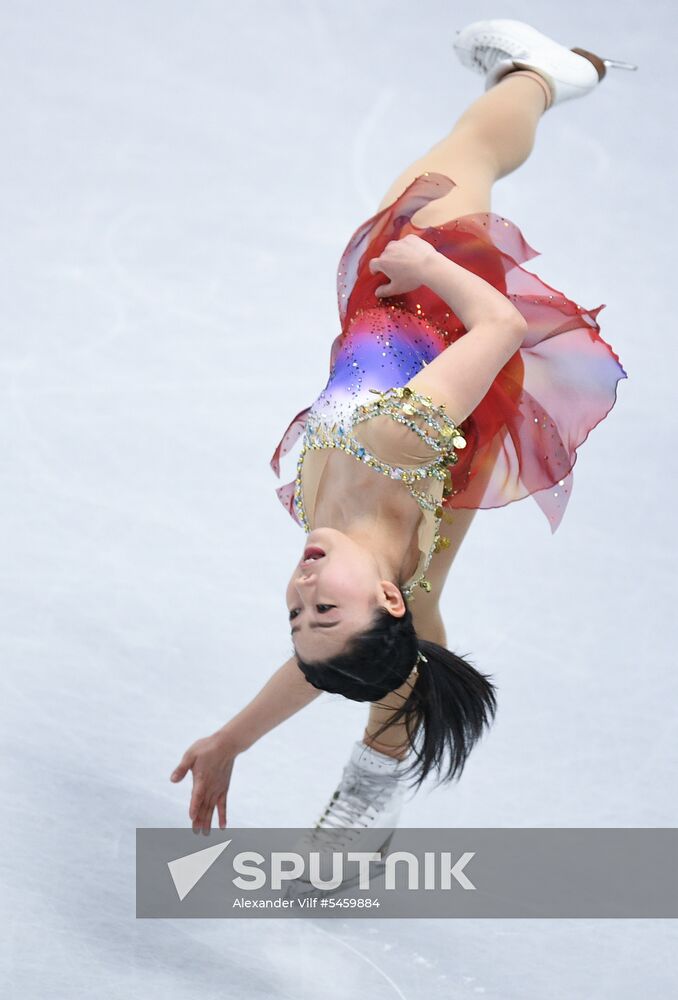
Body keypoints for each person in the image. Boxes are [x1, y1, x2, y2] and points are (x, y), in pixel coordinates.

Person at [170, 19, 634, 838]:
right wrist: (426, 265)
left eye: (296, 616)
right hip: (434, 298)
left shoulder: (366, 570)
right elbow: (498, 329)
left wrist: (229, 741)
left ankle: (373, 787)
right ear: (379, 594)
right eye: (324, 609)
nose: (304, 595)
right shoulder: (397, 438)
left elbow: (342, 656)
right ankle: (540, 76)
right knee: (474, 151)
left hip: (426, 423)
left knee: (410, 627)